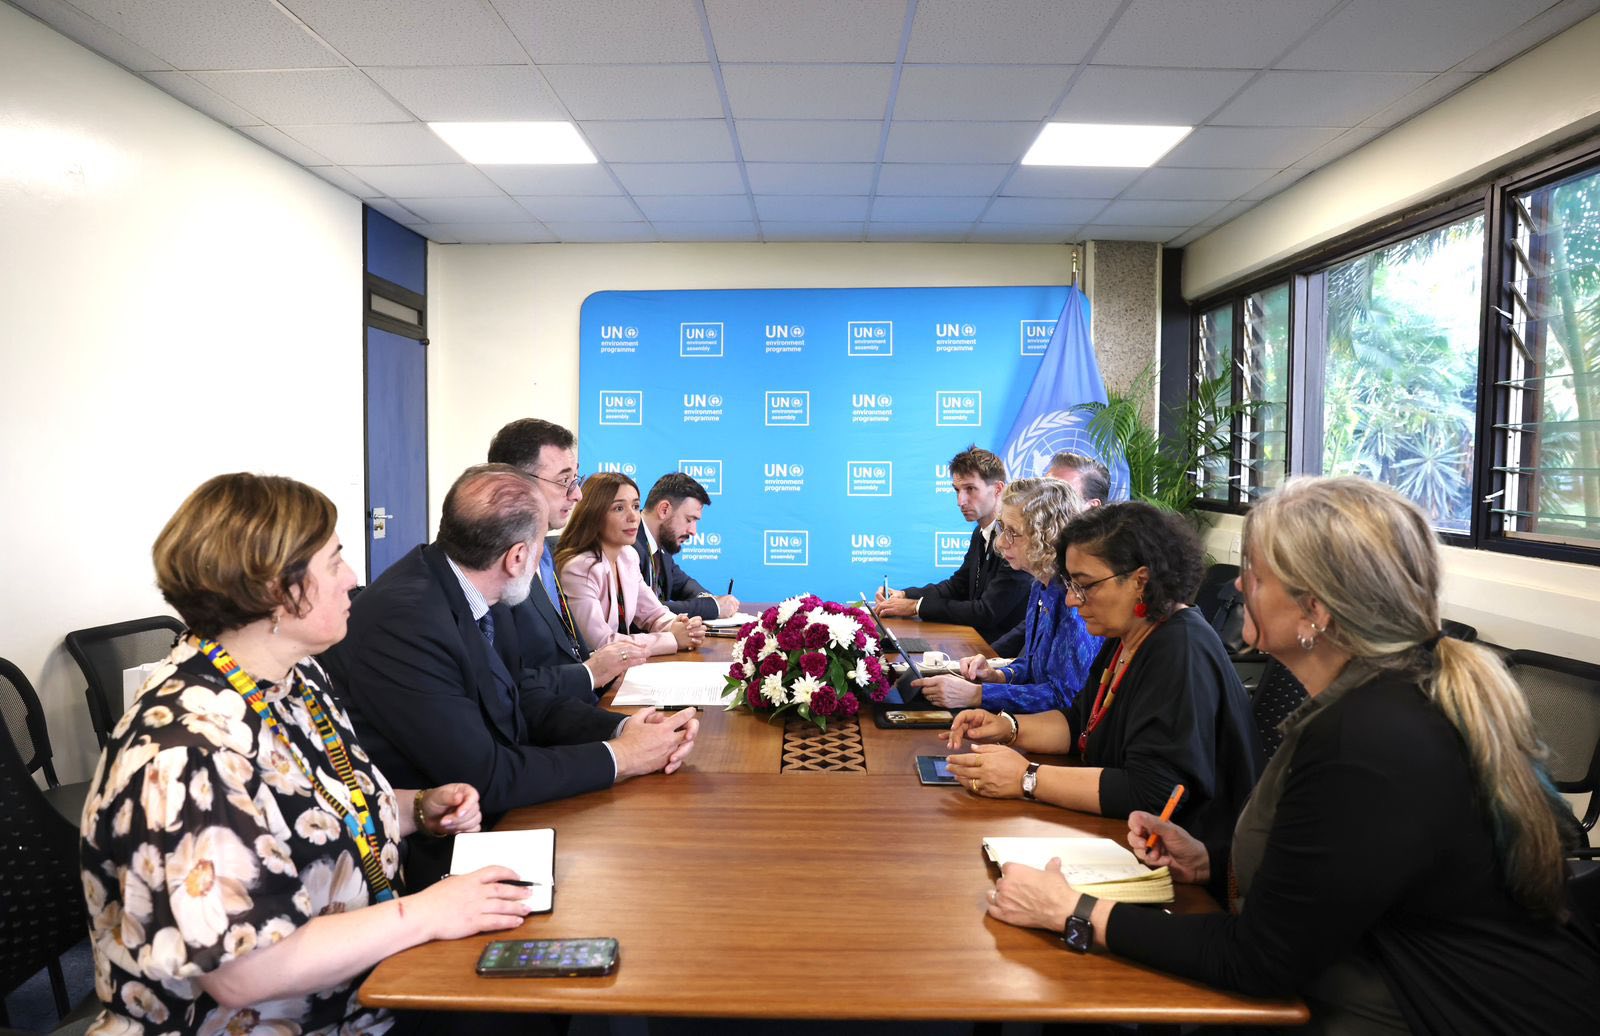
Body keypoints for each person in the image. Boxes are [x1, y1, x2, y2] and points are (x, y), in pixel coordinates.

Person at [984, 478, 1600, 1032]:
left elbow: (1258, 961)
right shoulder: (1382, 701)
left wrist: (1074, 910)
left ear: (1316, 608)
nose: (1237, 587)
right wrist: (1211, 860)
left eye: (1255, 573)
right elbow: (1341, 873)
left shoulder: (1365, 738)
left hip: (1439, 1009)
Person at [79, 473, 534, 1036]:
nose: (353, 579)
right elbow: (246, 972)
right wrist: (429, 911)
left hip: (366, 988)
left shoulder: (294, 679)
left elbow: (310, 811)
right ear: (278, 589)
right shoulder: (186, 752)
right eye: (335, 561)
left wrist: (417, 809)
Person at [328, 465, 698, 887]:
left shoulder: (478, 584)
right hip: (435, 855)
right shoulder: (408, 620)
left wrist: (622, 728)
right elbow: (484, 775)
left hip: (499, 816)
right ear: (518, 556)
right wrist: (625, 757)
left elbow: (522, 695)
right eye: (541, 548)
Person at [944, 501, 1258, 850]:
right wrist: (1008, 727)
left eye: (1085, 585)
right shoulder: (1128, 635)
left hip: (1177, 857)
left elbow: (1150, 793)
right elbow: (1079, 722)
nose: (1072, 600)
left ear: (1140, 581)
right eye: (1070, 585)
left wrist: (1026, 777)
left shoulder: (1180, 649)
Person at [911, 478, 1100, 713]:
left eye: (1013, 533)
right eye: (1002, 528)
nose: (1000, 543)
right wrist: (998, 676)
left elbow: (1065, 698)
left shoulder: (1075, 603)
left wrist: (978, 694)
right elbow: (1032, 667)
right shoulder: (1041, 585)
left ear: (1047, 536)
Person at [487, 417, 643, 703]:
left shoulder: (545, 554)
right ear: (515, 484)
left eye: (576, 480)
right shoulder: (493, 569)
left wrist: (603, 677)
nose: (577, 495)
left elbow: (571, 651)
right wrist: (591, 674)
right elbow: (510, 686)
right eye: (563, 482)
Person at [875, 445, 1031, 645]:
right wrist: (905, 595)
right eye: (957, 490)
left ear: (998, 489)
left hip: (1001, 652)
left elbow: (986, 612)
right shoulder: (980, 533)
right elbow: (958, 586)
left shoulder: (1015, 541)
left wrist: (916, 607)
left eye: (970, 489)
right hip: (975, 643)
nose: (960, 501)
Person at [556, 472, 705, 657]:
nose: (633, 517)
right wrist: (672, 639)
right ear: (594, 514)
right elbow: (599, 642)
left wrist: (681, 626)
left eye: (635, 506)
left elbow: (653, 613)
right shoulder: (579, 568)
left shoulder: (628, 556)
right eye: (619, 508)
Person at [638, 471, 740, 619]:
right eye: (689, 519)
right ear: (664, 510)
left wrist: (713, 600)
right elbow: (644, 609)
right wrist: (714, 607)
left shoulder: (660, 545)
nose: (693, 531)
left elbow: (683, 585)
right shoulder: (627, 544)